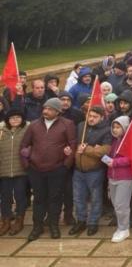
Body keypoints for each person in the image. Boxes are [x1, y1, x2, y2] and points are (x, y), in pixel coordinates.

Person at [20, 97, 76, 241]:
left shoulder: (67, 124)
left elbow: (73, 145)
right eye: (45, 108)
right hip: (36, 169)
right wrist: (27, 165)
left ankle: (53, 226)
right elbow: (24, 145)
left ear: (58, 111)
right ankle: (37, 227)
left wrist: (65, 166)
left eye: (50, 109)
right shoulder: (33, 125)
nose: (45, 111)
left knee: (55, 199)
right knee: (38, 199)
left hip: (57, 169)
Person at [70, 105, 112, 236]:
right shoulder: (81, 126)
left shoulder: (106, 130)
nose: (91, 119)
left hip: (94, 170)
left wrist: (87, 149)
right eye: (90, 116)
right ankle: (81, 220)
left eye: (95, 117)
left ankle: (93, 222)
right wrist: (92, 148)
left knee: (95, 198)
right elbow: (75, 144)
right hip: (78, 169)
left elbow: (104, 151)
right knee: (78, 198)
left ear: (101, 118)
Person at [104, 115, 132, 243]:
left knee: (121, 205)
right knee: (116, 203)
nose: (115, 130)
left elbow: (131, 158)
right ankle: (121, 226)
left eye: (118, 127)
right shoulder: (113, 140)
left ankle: (123, 228)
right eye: (114, 127)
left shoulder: (129, 141)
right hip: (112, 176)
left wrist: (115, 162)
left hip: (125, 177)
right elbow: (109, 155)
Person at [0, 109, 30, 236]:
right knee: (5, 198)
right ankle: (6, 221)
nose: (15, 120)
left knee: (20, 196)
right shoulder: (2, 131)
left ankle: (19, 220)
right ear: (7, 120)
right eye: (12, 118)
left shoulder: (27, 130)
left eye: (18, 117)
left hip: (21, 171)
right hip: (4, 170)